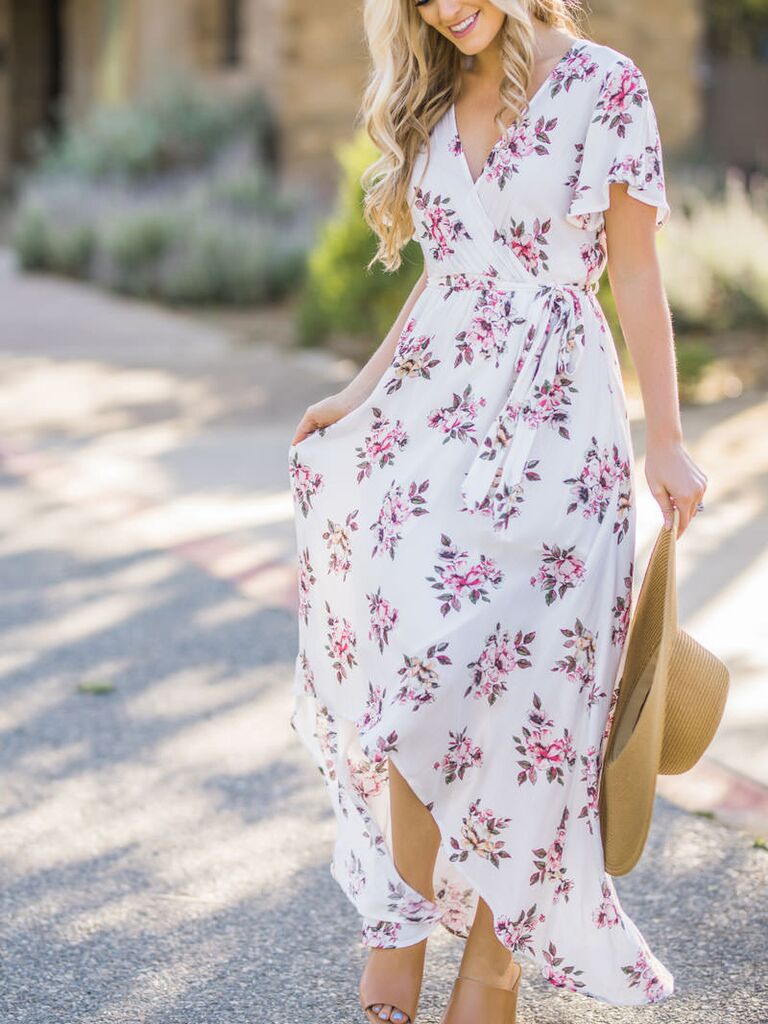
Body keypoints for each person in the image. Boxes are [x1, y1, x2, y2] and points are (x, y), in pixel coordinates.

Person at [287, 2, 707, 1022]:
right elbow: (446, 282)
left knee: (536, 703)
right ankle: (401, 923)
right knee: (415, 667)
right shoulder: (433, 88)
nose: (444, 7)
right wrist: (357, 393)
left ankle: (492, 968)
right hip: (437, 414)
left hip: (561, 423)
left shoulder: (606, 83)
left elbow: (638, 270)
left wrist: (666, 435)